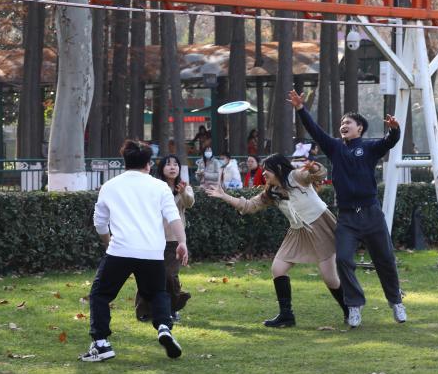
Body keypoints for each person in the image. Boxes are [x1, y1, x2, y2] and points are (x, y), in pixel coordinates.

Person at [287, 89, 406, 328]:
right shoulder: (335, 148)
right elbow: (315, 131)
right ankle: (354, 305)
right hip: (347, 217)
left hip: (371, 214)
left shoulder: (369, 148)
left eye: (348, 122)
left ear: (359, 128)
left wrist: (394, 129)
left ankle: (396, 302)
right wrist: (300, 109)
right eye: (342, 122)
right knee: (342, 259)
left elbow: (389, 142)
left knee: (385, 259)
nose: (344, 125)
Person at [206, 154, 348, 327]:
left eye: (267, 169)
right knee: (278, 268)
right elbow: (248, 206)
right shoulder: (271, 192)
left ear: (279, 169)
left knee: (330, 278)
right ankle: (286, 316)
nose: (263, 173)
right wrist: (224, 196)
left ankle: (350, 310)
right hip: (298, 231)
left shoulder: (296, 176)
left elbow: (318, 174)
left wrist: (314, 167)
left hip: (320, 227)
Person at [81, 140, 187, 362]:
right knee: (158, 293)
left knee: (100, 294)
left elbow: (100, 222)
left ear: (125, 162)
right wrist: (182, 242)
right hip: (152, 252)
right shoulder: (159, 187)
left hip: (120, 250)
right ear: (148, 164)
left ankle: (101, 343)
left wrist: (107, 242)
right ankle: (164, 327)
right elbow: (173, 216)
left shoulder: (110, 186)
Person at [135, 155, 194, 323]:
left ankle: (172, 308)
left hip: (174, 240)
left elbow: (189, 203)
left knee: (169, 276)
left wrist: (183, 192)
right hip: (153, 238)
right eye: (168, 164)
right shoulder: (154, 187)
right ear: (161, 168)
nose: (173, 167)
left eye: (176, 164)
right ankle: (145, 310)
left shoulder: (185, 187)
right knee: (148, 274)